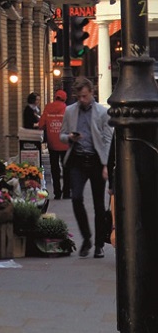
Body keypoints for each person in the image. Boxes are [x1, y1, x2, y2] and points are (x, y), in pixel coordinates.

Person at [60, 76, 114, 259]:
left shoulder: (102, 112)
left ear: (92, 92)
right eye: (79, 97)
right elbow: (61, 135)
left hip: (96, 160)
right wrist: (69, 137)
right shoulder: (69, 111)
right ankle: (86, 237)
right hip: (77, 160)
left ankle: (99, 244)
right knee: (76, 198)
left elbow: (108, 139)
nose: (81, 100)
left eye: (84, 96)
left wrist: (107, 164)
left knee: (99, 205)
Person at [38, 89, 69, 199]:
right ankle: (66, 193)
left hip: (52, 144)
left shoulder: (48, 108)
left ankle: (57, 192)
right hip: (65, 144)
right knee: (66, 169)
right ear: (65, 98)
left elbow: (41, 124)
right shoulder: (66, 109)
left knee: (54, 168)